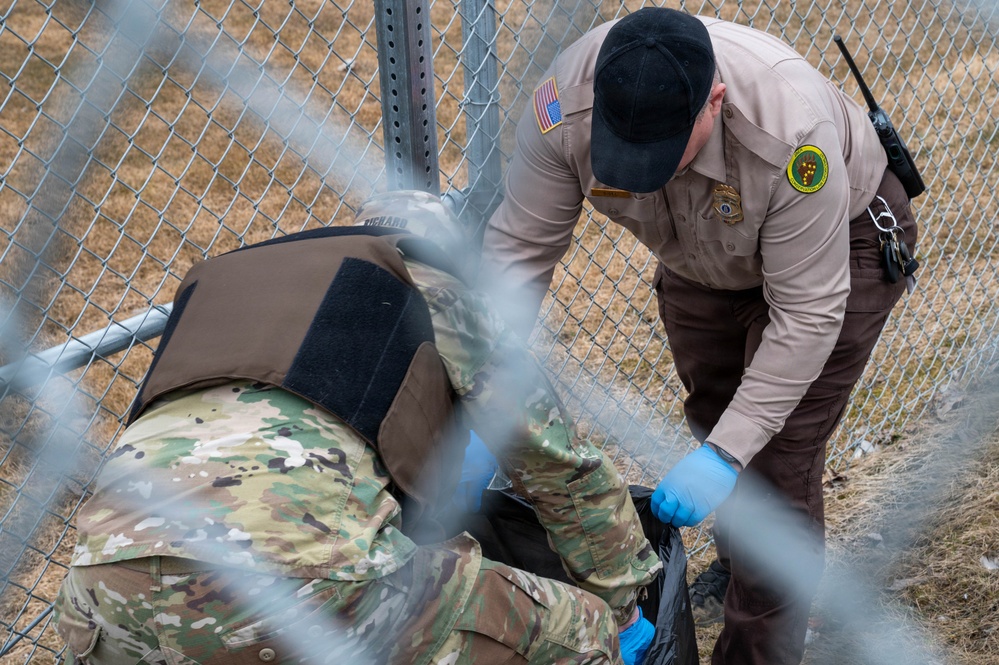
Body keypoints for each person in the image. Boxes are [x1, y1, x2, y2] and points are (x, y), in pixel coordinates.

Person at [479, 7, 919, 665]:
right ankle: (740, 559)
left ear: (713, 101)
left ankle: (759, 646)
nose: (632, 169)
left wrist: (727, 455)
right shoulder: (561, 105)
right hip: (701, 254)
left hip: (836, 250)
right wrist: (477, 400)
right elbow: (516, 254)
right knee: (712, 413)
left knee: (771, 463)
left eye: (656, 151)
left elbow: (806, 311)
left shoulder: (790, 129)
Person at [53, 191, 663, 665]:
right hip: (300, 576)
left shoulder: (227, 282)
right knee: (577, 632)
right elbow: (557, 466)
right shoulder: (432, 283)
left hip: (100, 590)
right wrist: (622, 602)